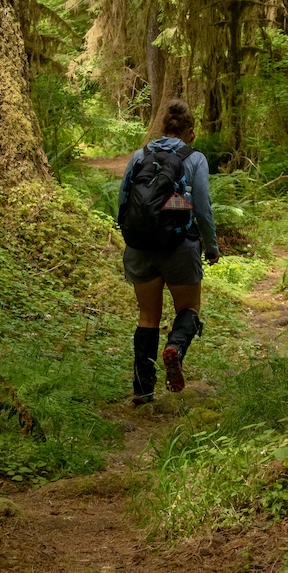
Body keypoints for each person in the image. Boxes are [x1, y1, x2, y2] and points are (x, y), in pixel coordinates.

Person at [116, 99, 219, 404]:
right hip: (179, 247)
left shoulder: (140, 155)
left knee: (147, 315)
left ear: (163, 128)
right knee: (189, 309)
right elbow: (201, 206)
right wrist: (211, 246)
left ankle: (143, 390)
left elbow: (123, 201)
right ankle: (174, 347)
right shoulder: (195, 157)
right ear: (190, 131)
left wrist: (133, 238)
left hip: (140, 247)